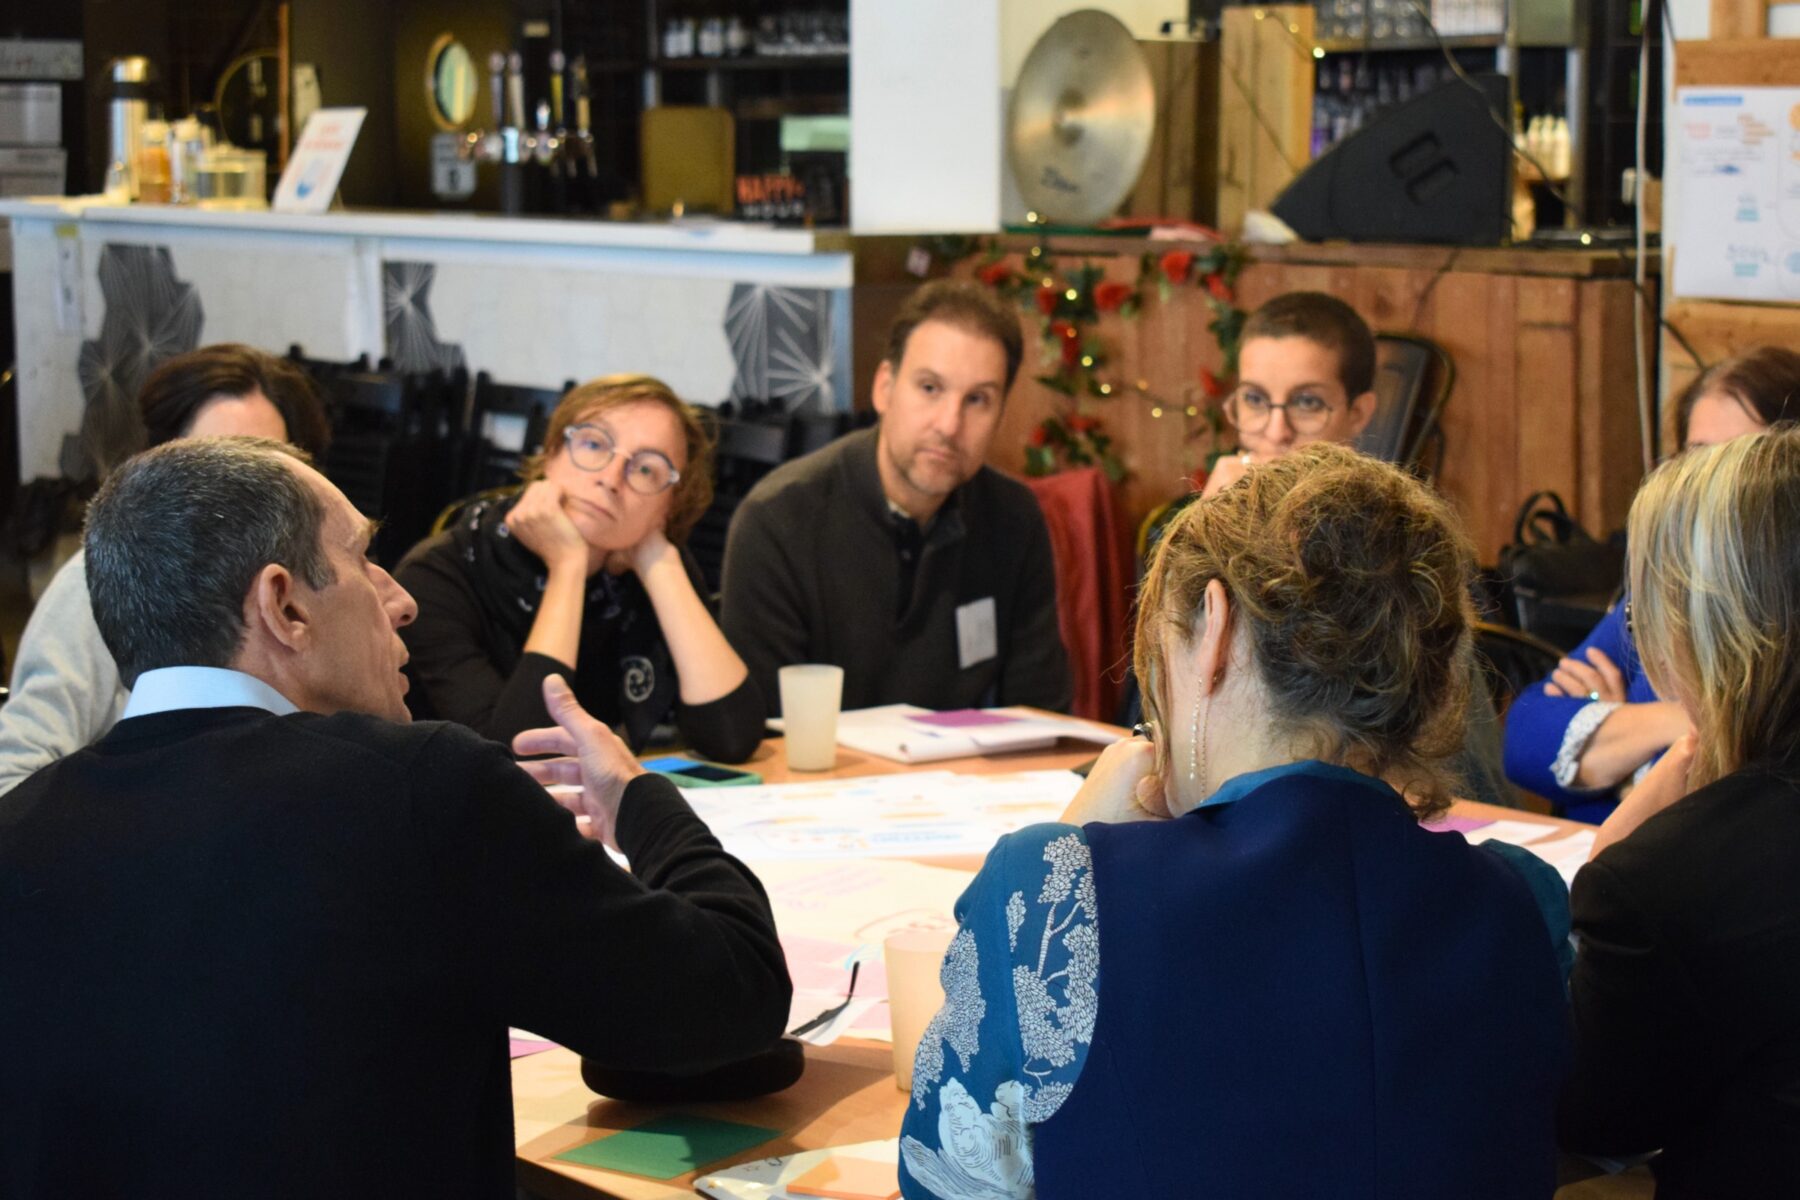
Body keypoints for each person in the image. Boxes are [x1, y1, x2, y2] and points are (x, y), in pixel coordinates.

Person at [0, 437, 790, 1198]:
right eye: (363, 561)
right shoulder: (421, 790)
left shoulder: (18, 831)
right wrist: (638, 801)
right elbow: (734, 996)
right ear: (284, 605)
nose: (401, 599)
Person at [898, 443, 1570, 1200]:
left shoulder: (1051, 896)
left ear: (1212, 630)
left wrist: (1073, 838)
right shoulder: (1524, 904)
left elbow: (944, 1183)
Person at [1558, 427, 1800, 1197]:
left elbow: (1595, 1122)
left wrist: (1607, 861)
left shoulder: (1663, 880)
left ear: (1699, 635)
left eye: (1641, 620)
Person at [720, 280, 1071, 714]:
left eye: (977, 399)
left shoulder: (1013, 519)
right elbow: (762, 733)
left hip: (965, 778)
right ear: (884, 386)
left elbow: (1040, 713)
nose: (949, 423)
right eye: (930, 388)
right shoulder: (779, 520)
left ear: (1000, 414)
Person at [0, 343, 332, 796]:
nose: (234, 492)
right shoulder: (109, 578)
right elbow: (13, 772)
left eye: (262, 467)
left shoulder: (317, 588)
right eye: (210, 462)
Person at [397, 374, 763, 761]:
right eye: (593, 444)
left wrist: (661, 562)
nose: (610, 479)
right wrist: (567, 568)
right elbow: (522, 762)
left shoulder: (649, 565)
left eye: (646, 470)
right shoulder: (434, 578)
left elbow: (733, 737)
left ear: (668, 505)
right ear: (550, 454)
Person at [1503, 345, 1799, 818]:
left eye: (1742, 460)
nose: (1708, 484)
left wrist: (1619, 754)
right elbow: (1525, 737)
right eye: (1697, 457)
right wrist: (1677, 724)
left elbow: (1730, 798)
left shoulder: (1785, 616)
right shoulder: (1661, 592)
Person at [1198, 290, 1377, 498]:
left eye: (1307, 402)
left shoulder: (1386, 525)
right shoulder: (1229, 499)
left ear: (1357, 413)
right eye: (1255, 399)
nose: (1276, 433)